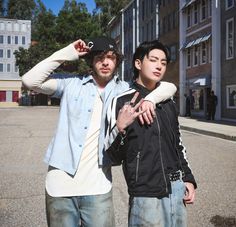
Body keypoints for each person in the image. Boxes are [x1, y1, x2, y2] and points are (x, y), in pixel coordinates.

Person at [22, 37, 177, 227]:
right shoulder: (71, 84)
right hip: (59, 187)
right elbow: (29, 81)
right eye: (99, 57)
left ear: (117, 62)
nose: (105, 62)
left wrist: (150, 100)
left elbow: (169, 87)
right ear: (90, 60)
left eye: (111, 57)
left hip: (98, 188)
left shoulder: (125, 90)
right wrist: (67, 53)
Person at [105, 40, 197, 227]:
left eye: (163, 62)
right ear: (138, 64)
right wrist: (120, 128)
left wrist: (188, 178)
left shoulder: (167, 102)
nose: (159, 66)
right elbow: (112, 156)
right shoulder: (122, 101)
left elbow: (177, 144)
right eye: (153, 60)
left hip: (176, 188)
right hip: (145, 193)